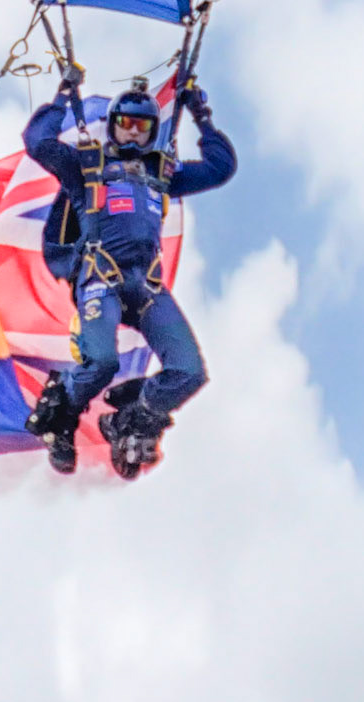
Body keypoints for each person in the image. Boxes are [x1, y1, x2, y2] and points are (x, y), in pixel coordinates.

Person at [23, 66, 236, 479]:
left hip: (146, 286)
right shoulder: (86, 170)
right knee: (101, 362)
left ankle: (132, 417)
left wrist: (201, 115)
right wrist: (63, 96)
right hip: (100, 279)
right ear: (114, 128)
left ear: (153, 131)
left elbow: (220, 168)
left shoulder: (162, 176)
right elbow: (38, 143)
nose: (134, 134)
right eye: (126, 125)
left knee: (189, 372)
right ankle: (61, 413)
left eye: (142, 127)